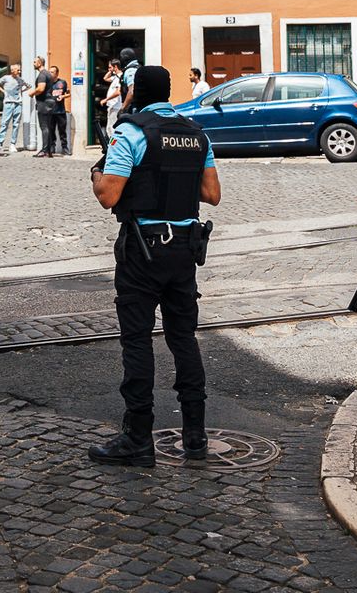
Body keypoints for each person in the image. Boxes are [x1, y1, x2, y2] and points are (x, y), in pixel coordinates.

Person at [87, 65, 220, 467]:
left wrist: (96, 174)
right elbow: (212, 193)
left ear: (134, 91)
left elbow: (110, 196)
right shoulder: (196, 133)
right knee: (184, 338)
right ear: (169, 90)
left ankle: (138, 436)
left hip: (143, 250)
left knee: (138, 341)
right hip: (184, 251)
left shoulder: (130, 132)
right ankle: (195, 436)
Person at [37, 64, 71, 156]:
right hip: (49, 112)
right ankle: (51, 148)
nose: (50, 73)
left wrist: (63, 96)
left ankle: (65, 148)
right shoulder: (47, 84)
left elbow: (68, 93)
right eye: (49, 72)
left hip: (60, 111)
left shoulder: (62, 82)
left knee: (62, 131)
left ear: (57, 73)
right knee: (50, 131)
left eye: (52, 72)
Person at [0, 63, 25, 154]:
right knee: (4, 123)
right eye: (18, 70)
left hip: (18, 104)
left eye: (20, 70)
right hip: (8, 103)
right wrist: (4, 92)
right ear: (12, 70)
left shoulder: (20, 80)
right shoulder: (6, 78)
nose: (19, 71)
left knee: (16, 124)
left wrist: (20, 92)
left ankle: (12, 144)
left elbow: (28, 86)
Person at [100, 60, 124, 141]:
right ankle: (113, 146)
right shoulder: (115, 77)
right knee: (109, 128)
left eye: (110, 67)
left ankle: (114, 147)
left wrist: (105, 99)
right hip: (112, 106)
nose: (109, 69)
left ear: (116, 67)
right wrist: (110, 70)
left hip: (115, 106)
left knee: (112, 129)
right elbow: (105, 78)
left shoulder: (120, 77)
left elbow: (118, 92)